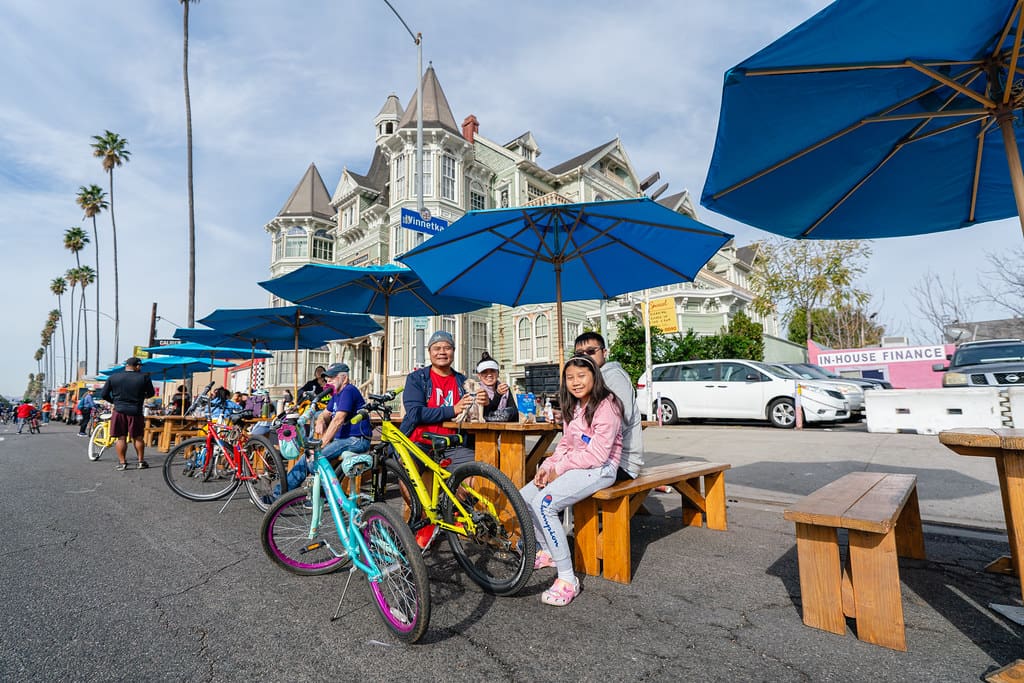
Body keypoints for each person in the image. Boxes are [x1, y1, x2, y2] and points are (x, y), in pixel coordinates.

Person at [521, 353, 623, 606]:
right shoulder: (575, 407)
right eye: (570, 377)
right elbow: (565, 445)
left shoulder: (607, 405)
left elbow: (598, 455)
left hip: (602, 469)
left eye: (581, 376)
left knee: (545, 505)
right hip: (576, 466)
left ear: (594, 377)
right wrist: (547, 467)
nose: (575, 382)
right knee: (523, 498)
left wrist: (560, 469)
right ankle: (547, 551)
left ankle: (568, 578)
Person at [401, 329, 477, 548]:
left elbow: (471, 412)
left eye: (447, 347)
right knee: (406, 480)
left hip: (451, 444)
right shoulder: (418, 379)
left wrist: (485, 399)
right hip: (420, 443)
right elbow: (415, 412)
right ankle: (425, 520)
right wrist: (451, 409)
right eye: (437, 348)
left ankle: (456, 513)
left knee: (481, 473)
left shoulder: (462, 380)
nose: (442, 352)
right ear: (430, 352)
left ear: (453, 351)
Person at [282, 363, 372, 492]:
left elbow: (338, 420)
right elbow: (326, 413)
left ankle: (319, 494)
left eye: (332, 377)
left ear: (344, 378)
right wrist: (320, 420)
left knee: (314, 458)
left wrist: (321, 445)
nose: (328, 380)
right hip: (343, 440)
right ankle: (283, 494)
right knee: (308, 457)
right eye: (327, 377)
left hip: (357, 439)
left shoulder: (348, 390)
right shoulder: (336, 395)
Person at [573, 331, 644, 480]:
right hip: (597, 457)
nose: (585, 356)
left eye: (591, 351)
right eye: (579, 353)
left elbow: (623, 417)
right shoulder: (589, 379)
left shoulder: (613, 377)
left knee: (563, 477)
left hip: (620, 462)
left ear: (604, 353)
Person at [100, 357, 156, 470]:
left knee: (121, 438)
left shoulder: (114, 377)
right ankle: (140, 461)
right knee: (138, 437)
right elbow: (151, 393)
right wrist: (140, 397)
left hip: (119, 410)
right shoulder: (144, 377)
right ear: (138, 366)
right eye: (140, 366)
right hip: (135, 411)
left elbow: (104, 394)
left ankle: (122, 463)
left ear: (126, 365)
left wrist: (114, 401)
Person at [474, 351, 518, 422]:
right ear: (479, 376)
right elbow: (485, 414)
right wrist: (498, 394)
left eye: (492, 371)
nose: (489, 375)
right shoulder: (476, 390)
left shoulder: (504, 388)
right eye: (484, 372)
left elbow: (515, 413)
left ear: (498, 373)